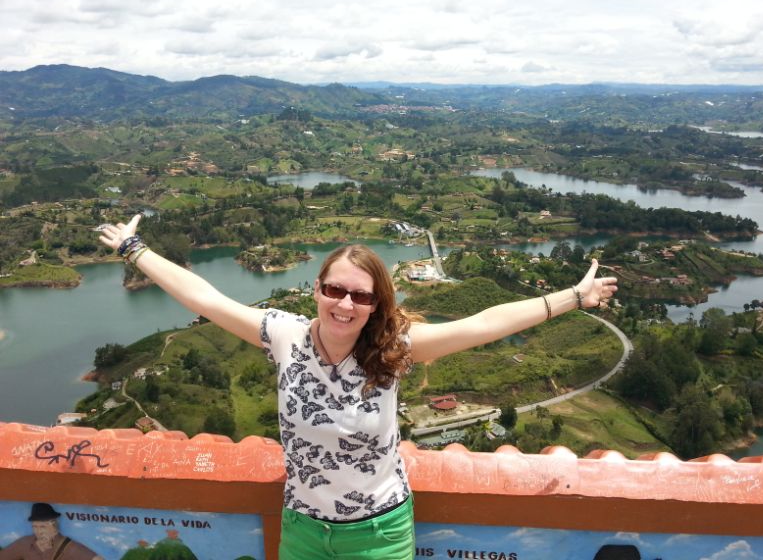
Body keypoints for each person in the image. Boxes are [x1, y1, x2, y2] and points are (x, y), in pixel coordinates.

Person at [99, 215, 617, 560]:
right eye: (334, 290)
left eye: (361, 296)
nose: (345, 304)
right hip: (302, 528)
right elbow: (206, 299)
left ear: (377, 304)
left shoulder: (395, 349)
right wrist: (134, 248)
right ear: (318, 289)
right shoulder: (284, 334)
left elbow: (485, 322)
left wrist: (574, 296)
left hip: (378, 534)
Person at [0, 503, 103, 560]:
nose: (38, 531)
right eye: (35, 526)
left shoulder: (68, 546)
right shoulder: (25, 543)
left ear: (53, 525)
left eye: (42, 527)